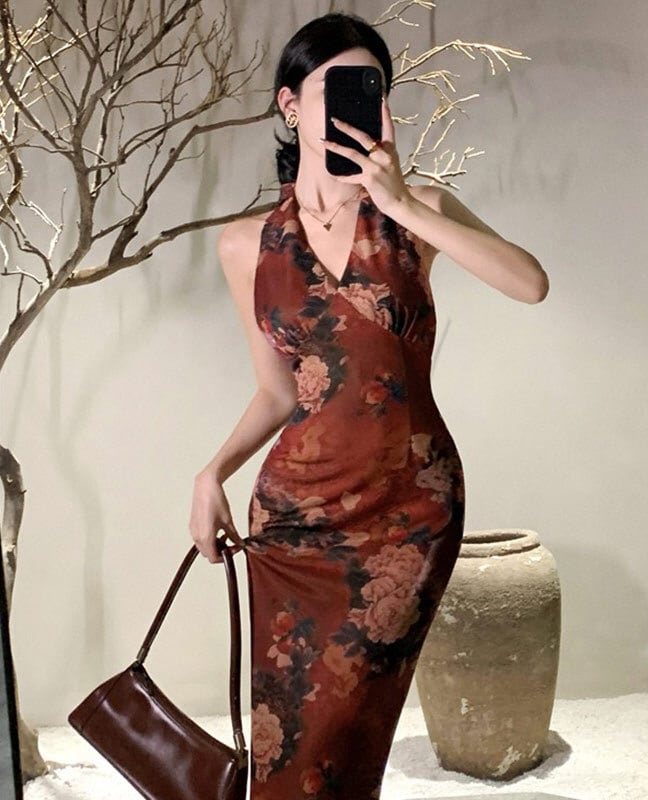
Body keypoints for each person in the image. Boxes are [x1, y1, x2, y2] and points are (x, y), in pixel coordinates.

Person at [188, 11, 547, 799]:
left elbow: (530, 283)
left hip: (406, 514)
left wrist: (404, 202)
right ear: (290, 105)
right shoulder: (246, 244)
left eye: (372, 88)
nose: (360, 104)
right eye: (336, 88)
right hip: (292, 522)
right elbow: (279, 392)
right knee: (289, 740)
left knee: (350, 728)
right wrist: (212, 472)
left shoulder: (420, 211)